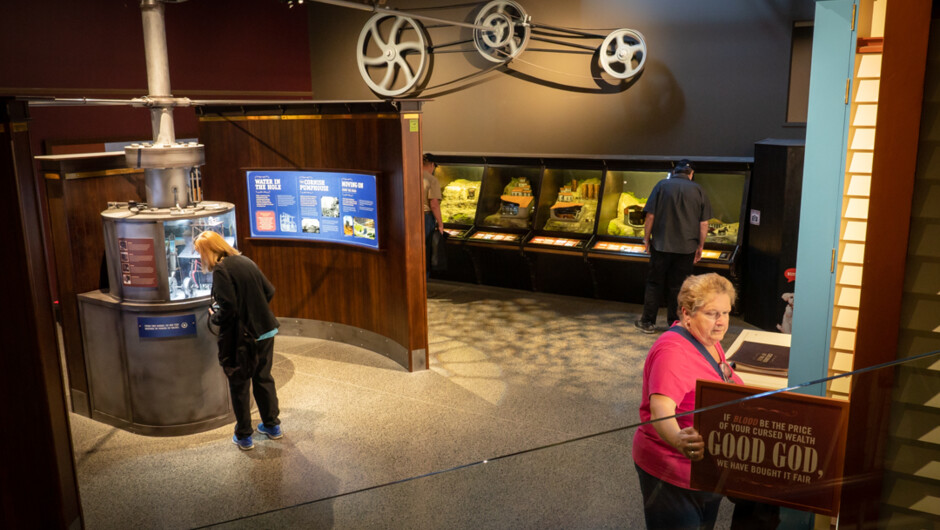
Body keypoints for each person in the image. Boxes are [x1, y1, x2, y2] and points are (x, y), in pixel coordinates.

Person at [632, 273, 779, 530]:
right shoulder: (673, 352)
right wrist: (678, 439)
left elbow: (723, 377)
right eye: (712, 314)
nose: (721, 322)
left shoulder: (709, 340)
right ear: (687, 314)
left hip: (704, 471)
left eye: (726, 313)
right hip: (673, 472)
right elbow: (660, 410)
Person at [194, 231, 282, 451]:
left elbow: (229, 307)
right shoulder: (246, 261)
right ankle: (272, 426)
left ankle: (244, 436)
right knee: (263, 377)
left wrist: (215, 317)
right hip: (265, 331)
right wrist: (254, 312)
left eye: (200, 253)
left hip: (243, 339)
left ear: (209, 251)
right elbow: (269, 291)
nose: (199, 259)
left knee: (240, 383)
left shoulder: (222, 270)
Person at [635, 159, 711, 334]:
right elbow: (704, 224)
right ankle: (675, 323)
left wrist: (646, 239)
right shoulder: (699, 190)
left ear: (674, 172)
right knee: (679, 287)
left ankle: (647, 322)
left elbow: (650, 217)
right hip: (686, 248)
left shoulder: (661, 185)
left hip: (661, 246)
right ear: (691, 174)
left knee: (654, 283)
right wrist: (700, 246)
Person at [422, 154, 444, 275]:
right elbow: (434, 204)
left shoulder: (410, 176)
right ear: (432, 165)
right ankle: (424, 280)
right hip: (426, 217)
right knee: (427, 249)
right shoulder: (431, 180)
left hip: (411, 216)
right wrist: (440, 224)